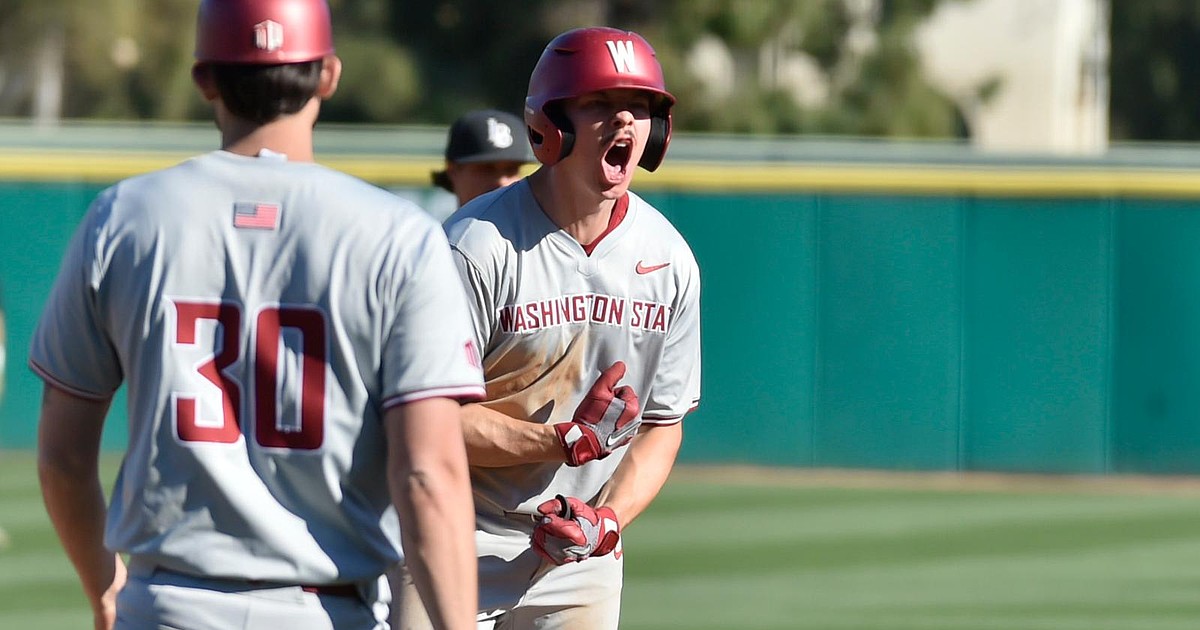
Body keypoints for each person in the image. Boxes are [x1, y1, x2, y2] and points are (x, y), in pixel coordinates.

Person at [31, 1, 482, 629]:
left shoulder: (124, 218)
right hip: (327, 609)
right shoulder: (398, 235)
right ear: (328, 73)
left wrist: (106, 587)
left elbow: (62, 459)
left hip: (168, 605)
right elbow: (428, 475)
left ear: (205, 79)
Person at [400, 26, 702, 630]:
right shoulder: (474, 247)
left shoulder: (668, 259)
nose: (625, 120)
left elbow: (662, 426)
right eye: (598, 103)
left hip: (578, 556)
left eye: (641, 106)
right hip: (453, 535)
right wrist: (560, 441)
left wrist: (607, 520)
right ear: (550, 126)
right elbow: (428, 418)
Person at [431, 109, 535, 207]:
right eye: (487, 168)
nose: (502, 182)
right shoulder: (430, 226)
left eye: (511, 169)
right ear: (453, 171)